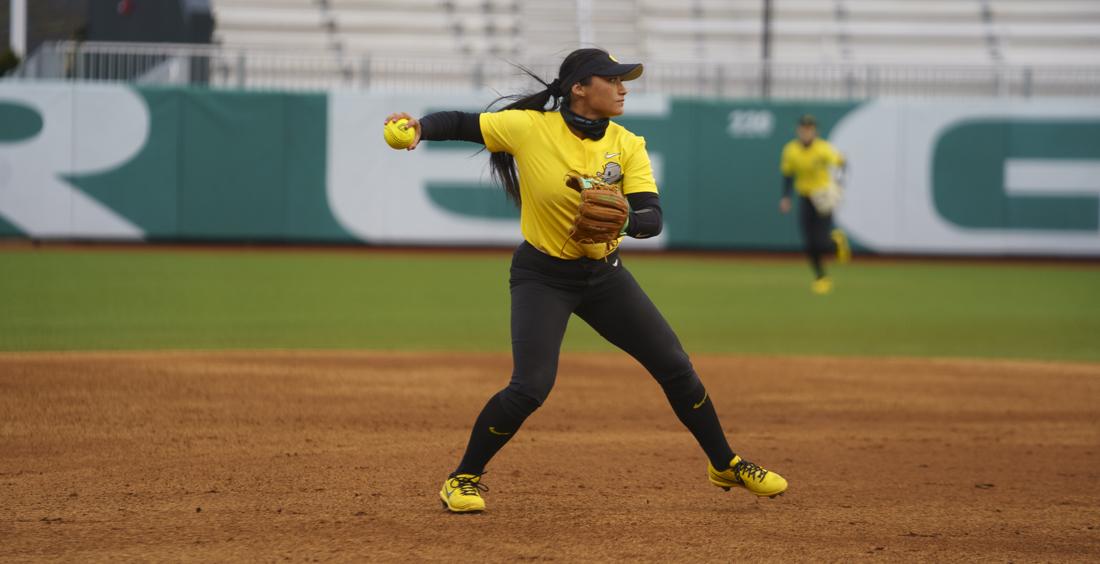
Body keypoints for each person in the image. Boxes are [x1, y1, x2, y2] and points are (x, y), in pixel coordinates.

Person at [386, 48, 787, 513]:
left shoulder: (627, 144)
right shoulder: (530, 128)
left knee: (675, 366)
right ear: (579, 88)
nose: (623, 87)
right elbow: (460, 122)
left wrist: (623, 222)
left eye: (624, 80)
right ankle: (463, 479)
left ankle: (725, 462)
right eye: (612, 79)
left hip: (604, 275)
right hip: (543, 276)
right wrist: (418, 128)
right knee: (530, 387)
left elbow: (652, 218)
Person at [779, 114, 851, 295]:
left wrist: (838, 185)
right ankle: (821, 277)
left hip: (822, 197)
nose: (806, 132)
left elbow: (842, 163)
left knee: (820, 242)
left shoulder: (823, 149)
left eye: (810, 129)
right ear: (798, 130)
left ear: (815, 131)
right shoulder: (791, 150)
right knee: (809, 243)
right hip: (804, 197)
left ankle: (835, 243)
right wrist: (785, 197)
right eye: (803, 129)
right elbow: (788, 174)